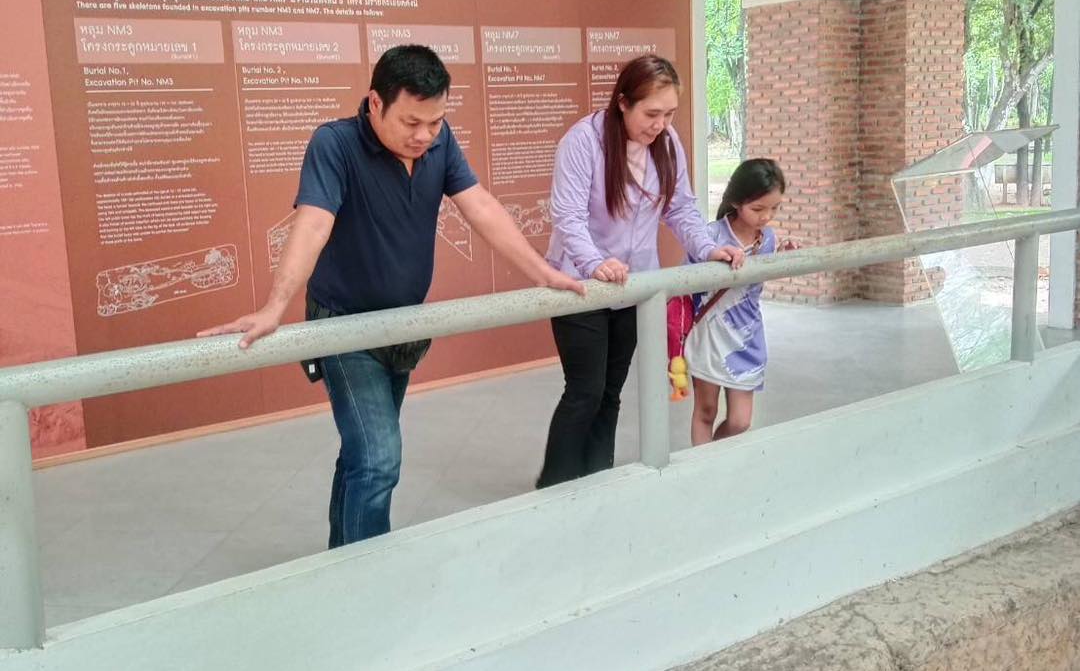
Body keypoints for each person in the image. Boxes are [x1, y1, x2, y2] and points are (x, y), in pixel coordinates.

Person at [200, 45, 585, 546]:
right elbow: (313, 224)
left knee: (364, 455)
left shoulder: (440, 142)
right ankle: (369, 573)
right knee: (379, 457)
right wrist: (275, 307)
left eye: (435, 121)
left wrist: (542, 272)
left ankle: (343, 557)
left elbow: (481, 207)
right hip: (343, 327)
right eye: (411, 122)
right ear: (375, 103)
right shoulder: (335, 144)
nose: (424, 135)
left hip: (404, 327)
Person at [538, 54, 745, 488]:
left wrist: (708, 248)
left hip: (634, 286)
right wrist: (595, 263)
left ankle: (598, 481)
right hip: (579, 283)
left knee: (611, 393)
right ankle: (555, 486)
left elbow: (682, 208)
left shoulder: (666, 143)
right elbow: (568, 217)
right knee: (585, 391)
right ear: (623, 103)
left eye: (669, 114)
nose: (660, 124)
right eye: (652, 113)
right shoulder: (583, 141)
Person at [685, 157, 793, 445]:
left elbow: (761, 278)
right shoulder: (710, 237)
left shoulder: (768, 239)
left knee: (740, 421)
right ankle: (705, 465)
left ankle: (712, 455)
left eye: (774, 208)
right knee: (705, 411)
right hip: (709, 333)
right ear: (736, 201)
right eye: (758, 209)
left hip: (747, 336)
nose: (766, 217)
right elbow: (685, 281)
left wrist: (783, 258)